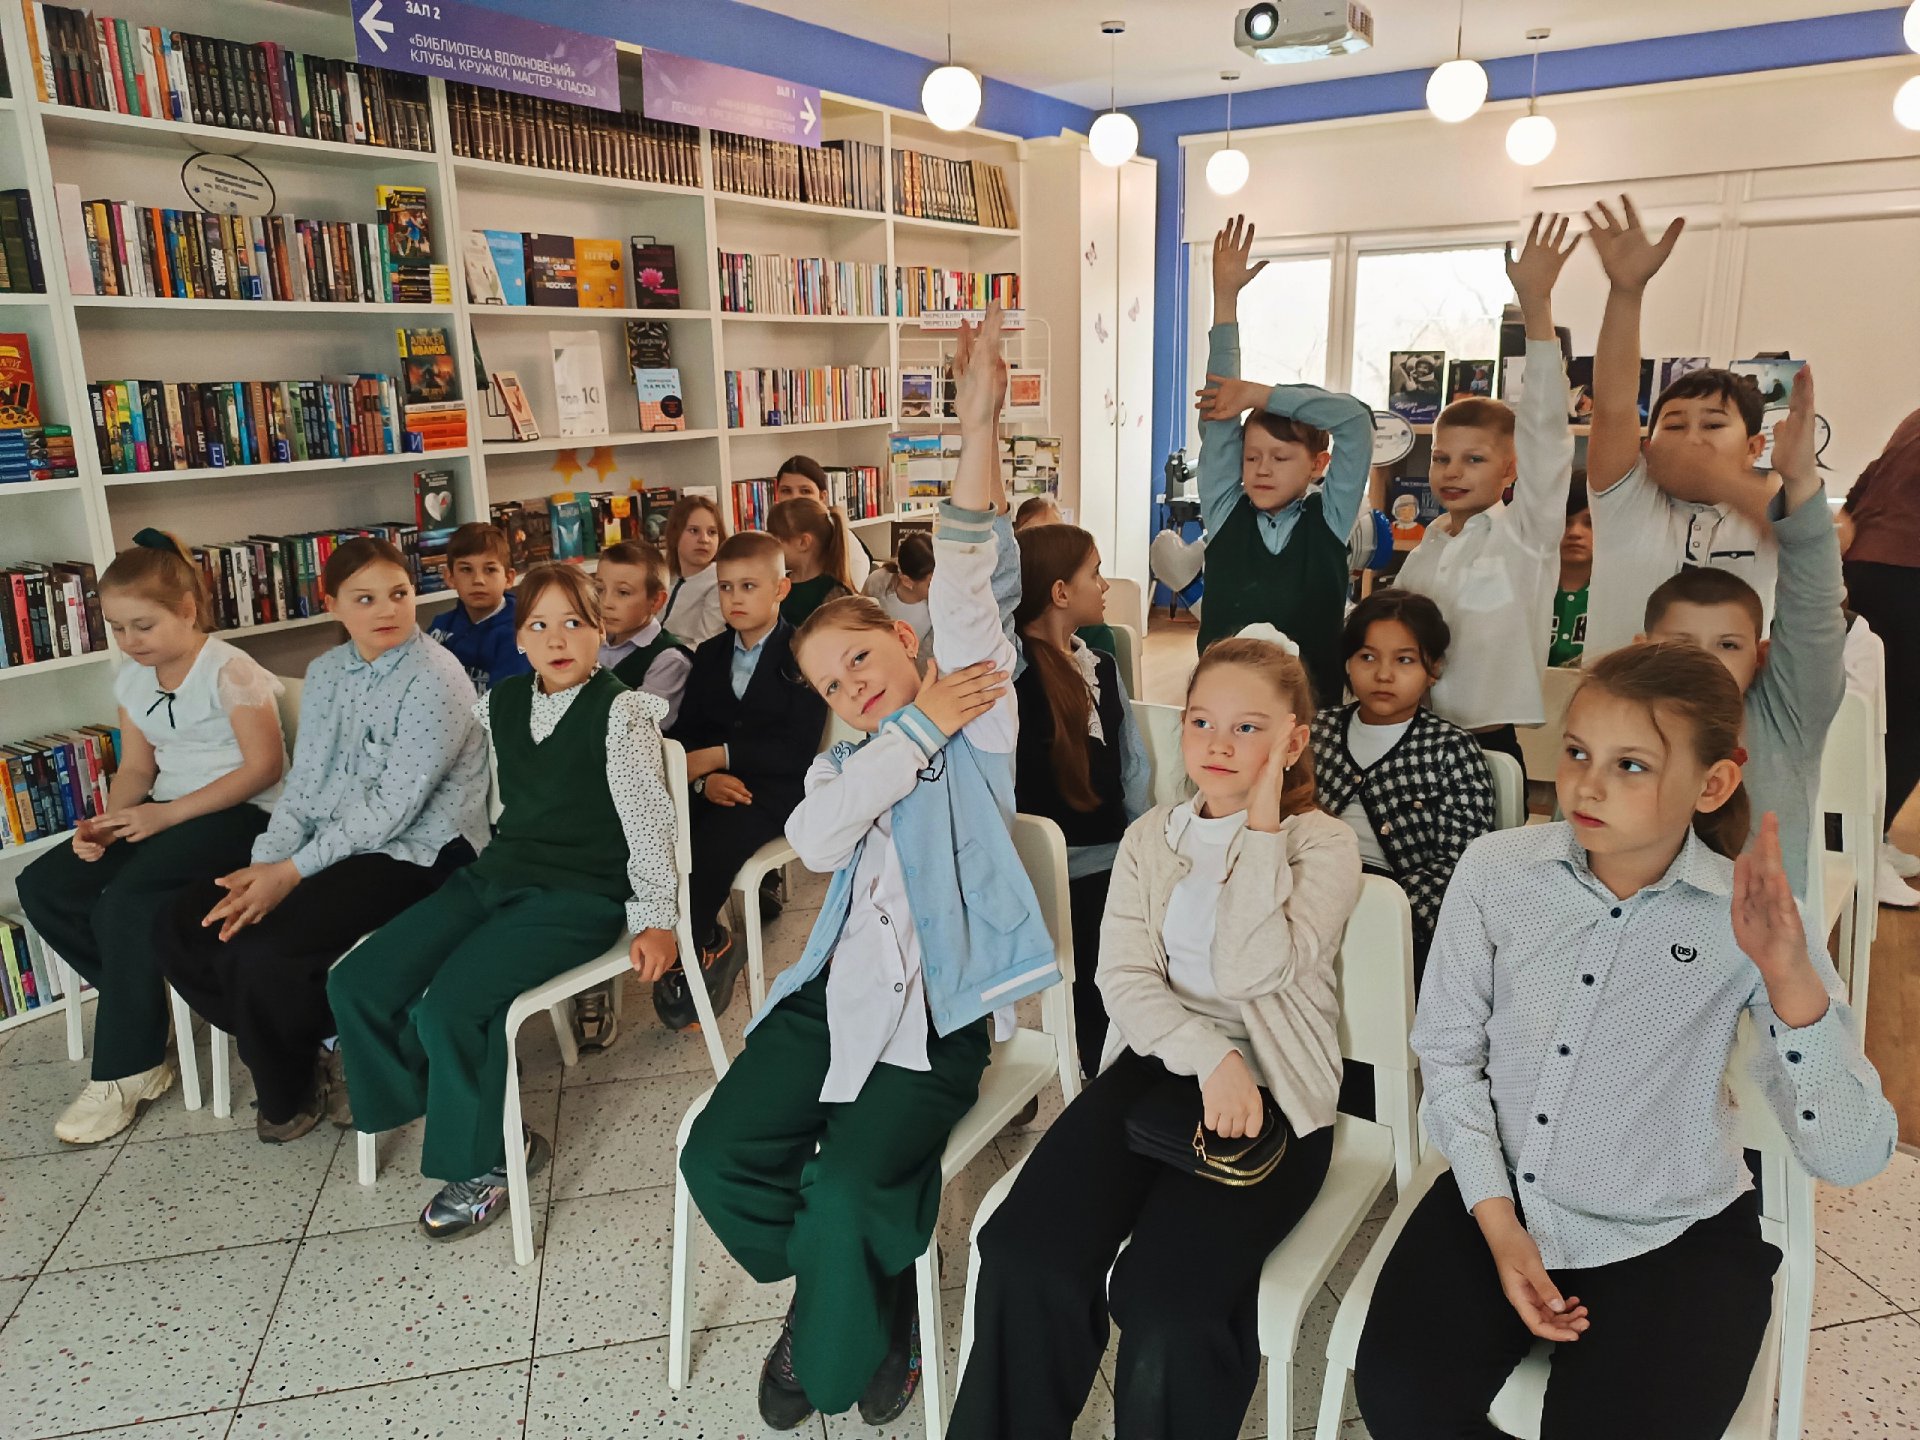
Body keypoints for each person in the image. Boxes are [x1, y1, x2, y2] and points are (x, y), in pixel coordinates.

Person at [1353, 642, 1895, 1440]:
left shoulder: (1748, 917)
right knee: (1402, 1399)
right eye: (1577, 752)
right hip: (1499, 1194)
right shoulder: (1497, 871)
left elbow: (1852, 1156)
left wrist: (1790, 979)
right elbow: (1449, 1056)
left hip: (1671, 1232)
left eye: (1631, 765)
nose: (1588, 784)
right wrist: (1499, 1226)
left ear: (1713, 785)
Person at [678, 308, 1058, 1431]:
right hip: (833, 996)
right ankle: (846, 1284)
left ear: (907, 642)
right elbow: (817, 839)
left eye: (863, 657)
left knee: (846, 1185)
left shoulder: (977, 713)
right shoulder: (849, 763)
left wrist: (977, 423)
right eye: (834, 684)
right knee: (718, 1154)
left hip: (940, 1013)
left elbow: (969, 578)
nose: (855, 685)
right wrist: (905, 731)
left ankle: (838, 1328)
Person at [950, 636, 1360, 1440]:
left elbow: (1249, 969)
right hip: (1161, 1066)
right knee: (1025, 1252)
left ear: (1293, 741)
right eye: (1201, 720)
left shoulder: (1322, 845)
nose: (1217, 742)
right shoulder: (1151, 838)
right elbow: (1125, 980)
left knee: (1168, 1302)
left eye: (1248, 727)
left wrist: (1262, 824)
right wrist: (1210, 1057)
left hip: (1277, 1093)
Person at [327, 564, 679, 1241]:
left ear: (600, 631)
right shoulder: (504, 702)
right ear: (519, 639)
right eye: (539, 625)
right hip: (497, 876)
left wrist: (656, 918)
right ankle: (446, 1099)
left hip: (579, 894)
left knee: (451, 1008)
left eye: (574, 622)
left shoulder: (621, 713)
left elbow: (648, 823)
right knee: (357, 981)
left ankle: (487, 1159)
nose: (557, 639)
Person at [157, 538, 488, 1141]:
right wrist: (264, 866)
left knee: (264, 952)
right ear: (331, 603)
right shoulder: (328, 671)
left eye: (399, 594)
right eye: (365, 599)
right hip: (336, 842)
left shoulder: (437, 677)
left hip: (421, 851)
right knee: (186, 921)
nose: (387, 610)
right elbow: (305, 784)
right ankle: (313, 1038)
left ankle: (290, 1088)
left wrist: (291, 873)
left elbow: (394, 810)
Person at [17, 530, 287, 1145]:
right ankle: (139, 1005)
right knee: (45, 885)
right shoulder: (133, 680)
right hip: (168, 810)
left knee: (125, 902)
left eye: (143, 625)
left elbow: (264, 768)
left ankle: (129, 1067)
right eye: (117, 628)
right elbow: (138, 769)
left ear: (187, 610)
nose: (131, 641)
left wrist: (164, 818)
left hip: (244, 816)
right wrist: (109, 826)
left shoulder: (231, 670)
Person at [1637, 366, 1841, 902]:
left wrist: (1800, 482)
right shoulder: (1621, 716)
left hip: (1755, 946)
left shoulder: (1786, 717)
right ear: (1642, 651)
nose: (1703, 660)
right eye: (1681, 644)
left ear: (1761, 655)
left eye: (1727, 645)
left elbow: (1815, 602)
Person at [1394, 213, 1580, 770]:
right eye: (1442, 458)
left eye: (1474, 460)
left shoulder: (1526, 535)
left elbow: (1546, 433)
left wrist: (1536, 308)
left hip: (1486, 744)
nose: (1453, 472)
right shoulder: (1427, 545)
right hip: (1413, 736)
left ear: (1510, 470)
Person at [1582, 195, 1779, 658]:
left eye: (1712, 425)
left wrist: (1716, 478)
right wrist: (1626, 292)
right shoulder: (1627, 503)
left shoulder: (1767, 507)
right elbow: (1613, 405)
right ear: (1648, 447)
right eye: (1673, 426)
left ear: (1754, 446)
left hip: (1727, 701)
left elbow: (1830, 537)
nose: (1692, 438)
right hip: (1620, 696)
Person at [1194, 215, 1373, 707]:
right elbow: (1220, 411)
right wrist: (1224, 301)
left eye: (1279, 457)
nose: (1262, 468)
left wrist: (1261, 394)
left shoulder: (1330, 518)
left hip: (1311, 712)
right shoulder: (1226, 511)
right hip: (1225, 706)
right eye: (1252, 456)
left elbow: (1356, 422)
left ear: (1318, 464)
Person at [655, 530, 827, 1030]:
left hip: (776, 789)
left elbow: (797, 748)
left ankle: (689, 952)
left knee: (713, 844)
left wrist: (721, 756)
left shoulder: (802, 653)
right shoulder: (709, 654)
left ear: (781, 589)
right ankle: (704, 937)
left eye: (749, 586)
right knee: (664, 833)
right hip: (711, 784)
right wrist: (702, 782)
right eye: (726, 587)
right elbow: (688, 735)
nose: (735, 598)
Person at [1012, 521, 1151, 1074]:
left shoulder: (1102, 664)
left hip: (1113, 852)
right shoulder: (1014, 672)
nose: (1105, 585)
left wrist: (1142, 849)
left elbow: (1133, 765)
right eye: (1094, 573)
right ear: (1060, 592)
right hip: (1053, 867)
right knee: (1100, 961)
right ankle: (1102, 1066)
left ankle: (1137, 1051)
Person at [1311, 588, 1494, 969]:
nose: (1383, 674)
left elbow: (1461, 862)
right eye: (1367, 657)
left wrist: (1378, 909)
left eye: (1404, 660)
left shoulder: (1451, 749)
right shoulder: (1315, 732)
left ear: (1434, 669)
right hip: (1308, 889)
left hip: (1399, 915)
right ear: (1347, 663)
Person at [1839, 404, 1920, 887]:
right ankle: (1865, 847)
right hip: (1909, 572)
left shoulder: (1914, 419)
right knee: (1904, 720)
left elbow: (1864, 483)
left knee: (1870, 712)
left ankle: (1867, 838)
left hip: (1866, 567)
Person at [595, 540, 692, 729]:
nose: (606, 603)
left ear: (656, 601)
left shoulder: (669, 660)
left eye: (623, 592)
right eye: (600, 589)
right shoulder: (591, 642)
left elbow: (638, 726)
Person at [425, 522, 531, 694]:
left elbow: (505, 701)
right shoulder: (441, 626)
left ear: (509, 578)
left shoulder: (519, 634)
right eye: (466, 569)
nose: (478, 580)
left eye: (490, 570)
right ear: (450, 577)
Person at [774, 453, 873, 588]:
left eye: (805, 491)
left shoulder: (846, 543)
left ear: (822, 497)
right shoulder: (773, 533)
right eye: (786, 491)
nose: (795, 498)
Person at [768, 496, 853, 627]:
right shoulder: (779, 583)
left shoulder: (834, 593)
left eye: (776, 539)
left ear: (803, 542)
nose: (769, 546)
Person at [661, 493, 729, 647]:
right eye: (694, 531)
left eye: (712, 532)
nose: (704, 539)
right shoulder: (666, 576)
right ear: (675, 534)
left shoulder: (720, 581)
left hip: (687, 656)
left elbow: (706, 643)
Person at [861, 532, 934, 652]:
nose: (941, 586)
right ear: (907, 581)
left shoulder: (940, 606)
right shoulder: (878, 583)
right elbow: (859, 626)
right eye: (931, 583)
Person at [1550, 482, 1592, 668]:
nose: (1575, 533)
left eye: (1590, 523)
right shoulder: (1527, 590)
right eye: (1564, 522)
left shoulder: (1616, 596)